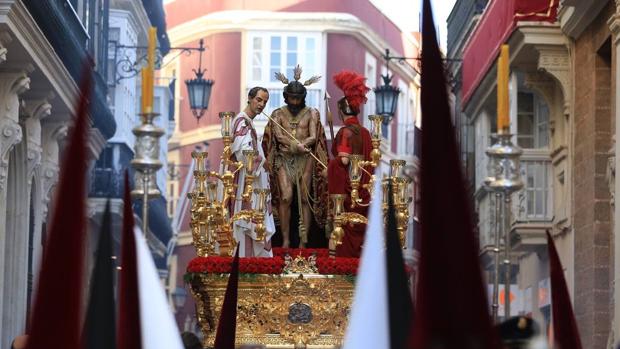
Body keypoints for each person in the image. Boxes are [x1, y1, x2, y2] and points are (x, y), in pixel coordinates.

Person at [262, 65, 329, 248]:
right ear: (286, 96)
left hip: (305, 159)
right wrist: (293, 145)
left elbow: (314, 136)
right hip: (284, 159)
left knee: (305, 198)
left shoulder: (312, 113)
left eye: (298, 98)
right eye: (292, 97)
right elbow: (278, 136)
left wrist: (303, 145)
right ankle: (285, 240)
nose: (294, 101)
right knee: (286, 197)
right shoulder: (277, 114)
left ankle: (303, 241)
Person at [327, 70, 373, 258]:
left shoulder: (345, 132)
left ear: (341, 112)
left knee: (341, 234)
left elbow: (344, 160)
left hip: (347, 194)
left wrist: (330, 166)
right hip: (364, 191)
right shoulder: (365, 133)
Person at [228, 87, 276, 257]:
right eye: (258, 99)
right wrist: (262, 162)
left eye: (265, 101)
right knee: (246, 222)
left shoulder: (248, 123)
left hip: (249, 180)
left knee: (251, 222)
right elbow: (243, 153)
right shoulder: (242, 122)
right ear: (249, 98)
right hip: (244, 182)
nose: (261, 104)